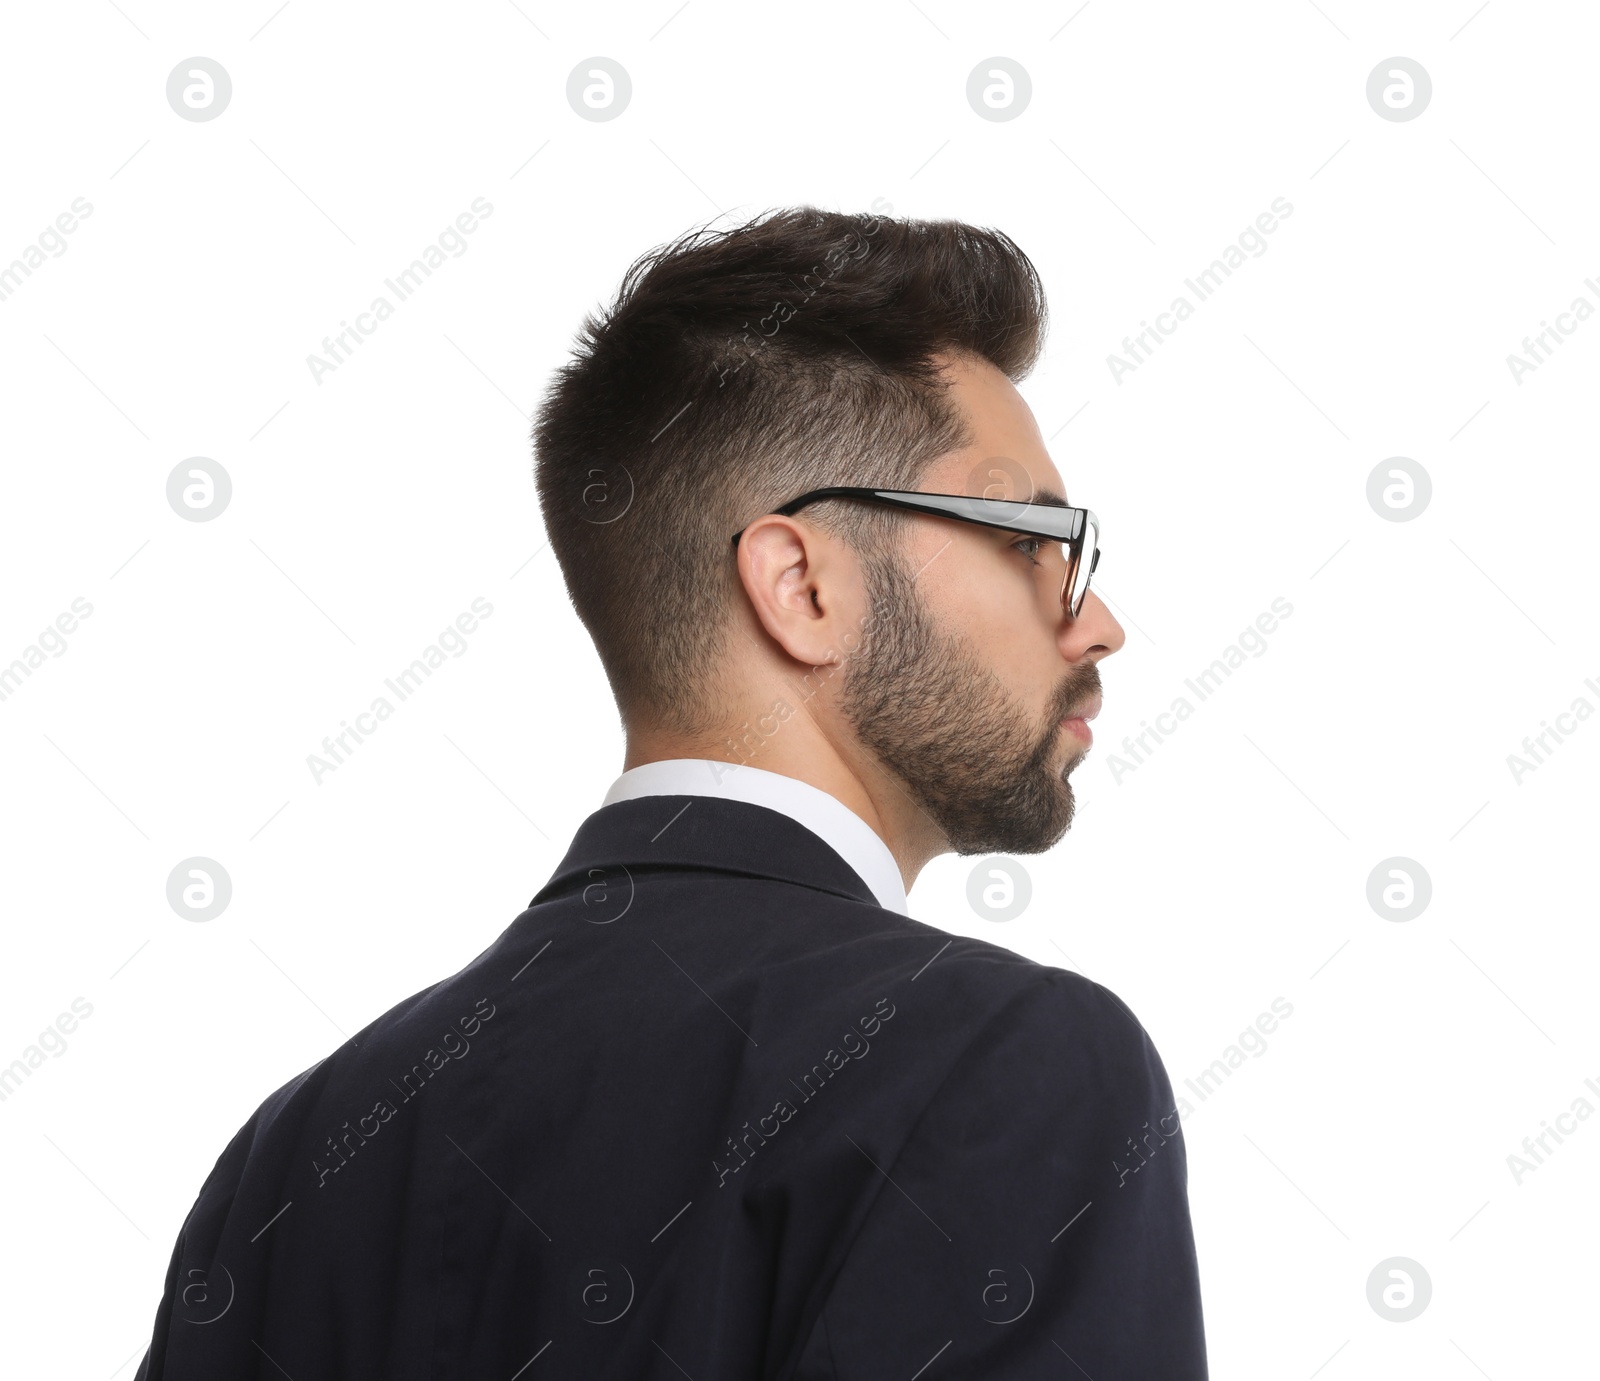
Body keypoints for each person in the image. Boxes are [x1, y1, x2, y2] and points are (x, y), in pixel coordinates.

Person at [133, 207, 1207, 1379]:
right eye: (1031, 536)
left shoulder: (292, 1157)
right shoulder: (1011, 1062)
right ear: (801, 584)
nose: (1095, 621)